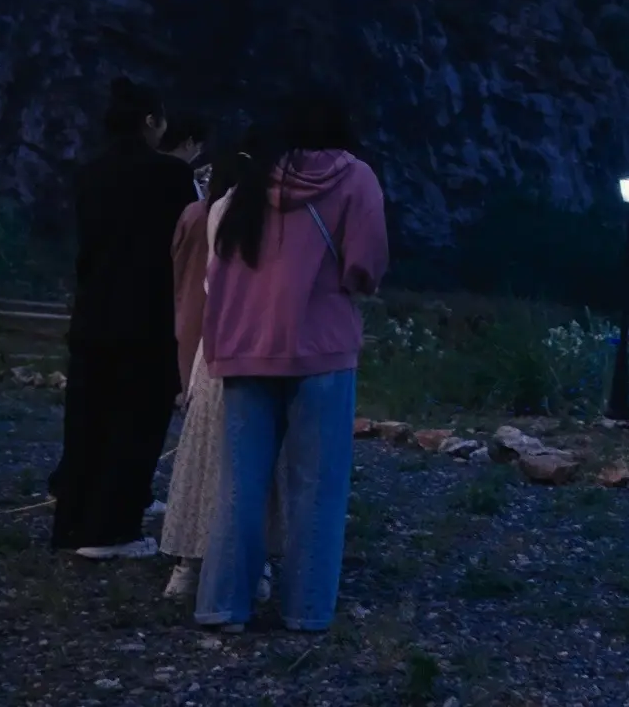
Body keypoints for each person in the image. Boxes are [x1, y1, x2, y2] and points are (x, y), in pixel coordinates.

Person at [195, 91, 388, 633]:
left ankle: (222, 605)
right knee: (317, 488)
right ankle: (306, 610)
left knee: (240, 484)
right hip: (321, 350)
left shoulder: (253, 180)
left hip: (245, 345)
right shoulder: (357, 178)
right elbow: (366, 265)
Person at [51, 78, 199, 559]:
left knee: (86, 422)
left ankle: (71, 526)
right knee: (136, 424)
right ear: (151, 121)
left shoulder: (90, 173)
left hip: (93, 312)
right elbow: (186, 248)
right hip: (148, 317)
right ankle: (113, 530)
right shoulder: (171, 176)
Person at [160, 146, 284, 600]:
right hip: (264, 353)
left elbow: (210, 285)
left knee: (201, 457)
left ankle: (187, 565)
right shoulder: (281, 213)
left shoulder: (216, 211)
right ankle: (256, 566)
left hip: (216, 352)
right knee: (261, 463)